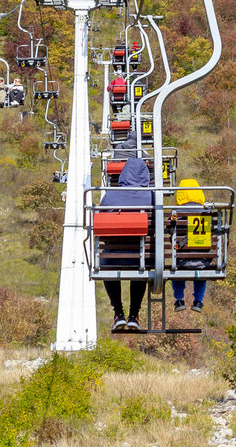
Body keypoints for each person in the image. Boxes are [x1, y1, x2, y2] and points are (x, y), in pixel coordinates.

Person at [99, 137, 154, 332]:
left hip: (111, 258)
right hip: (140, 256)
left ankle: (118, 313)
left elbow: (99, 222)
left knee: (106, 262)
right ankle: (134, 315)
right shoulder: (152, 195)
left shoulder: (110, 195)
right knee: (140, 269)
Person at [170, 177, 209, 313]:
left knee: (177, 265)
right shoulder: (207, 212)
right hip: (202, 261)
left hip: (181, 261)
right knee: (202, 269)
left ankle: (179, 299)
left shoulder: (175, 213)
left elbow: (170, 236)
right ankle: (198, 301)